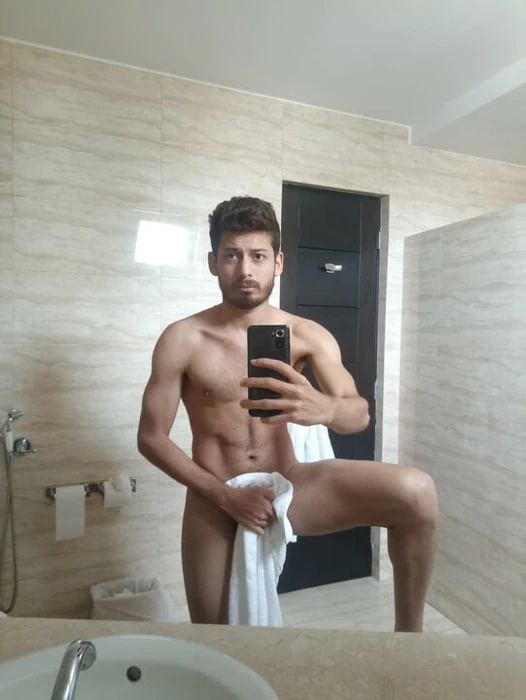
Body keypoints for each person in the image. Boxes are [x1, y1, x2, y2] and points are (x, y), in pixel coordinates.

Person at [137, 196, 438, 631]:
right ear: (212, 262)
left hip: (290, 481)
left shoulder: (306, 334)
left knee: (417, 493)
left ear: (278, 262)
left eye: (258, 256)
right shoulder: (183, 338)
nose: (245, 270)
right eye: (232, 255)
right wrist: (224, 496)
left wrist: (325, 408)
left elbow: (358, 415)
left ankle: (410, 638)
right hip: (215, 495)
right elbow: (151, 437)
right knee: (215, 637)